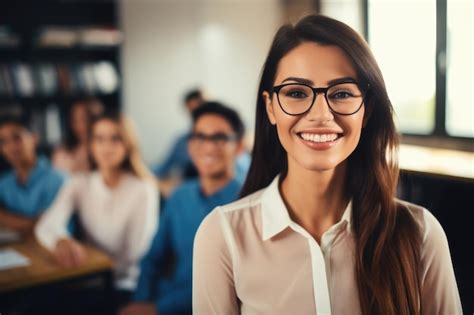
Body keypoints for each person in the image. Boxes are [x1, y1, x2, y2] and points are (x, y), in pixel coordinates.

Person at [193, 15, 462, 315]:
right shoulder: (222, 236)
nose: (320, 114)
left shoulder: (420, 233)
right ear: (270, 107)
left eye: (342, 93)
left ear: (367, 109)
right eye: (296, 93)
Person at [120, 102, 246, 315]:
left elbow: (231, 283)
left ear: (239, 147)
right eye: (200, 137)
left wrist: (156, 309)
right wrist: (141, 301)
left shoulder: (247, 202)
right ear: (190, 145)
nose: (207, 147)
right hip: (163, 298)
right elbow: (153, 257)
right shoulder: (180, 196)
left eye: (219, 138)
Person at [35, 111, 158, 299]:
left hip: (124, 284)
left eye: (115, 138)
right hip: (85, 275)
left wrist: (92, 265)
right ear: (91, 145)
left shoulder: (144, 189)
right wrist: (60, 240)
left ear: (128, 144)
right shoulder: (79, 183)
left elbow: (134, 256)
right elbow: (47, 224)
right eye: (99, 139)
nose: (106, 147)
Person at [0, 115, 66, 234]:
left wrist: (4, 218)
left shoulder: (58, 180)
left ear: (34, 138)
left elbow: (44, 225)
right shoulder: (4, 183)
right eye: (3, 142)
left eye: (17, 138)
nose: (11, 147)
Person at [52, 98, 104, 174]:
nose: (80, 126)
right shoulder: (62, 154)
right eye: (75, 120)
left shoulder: (103, 151)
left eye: (85, 119)